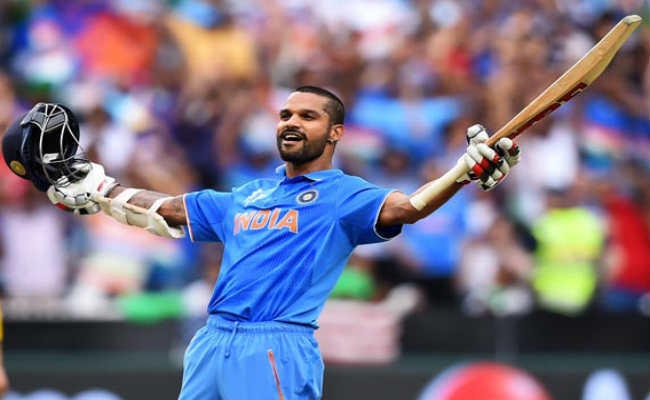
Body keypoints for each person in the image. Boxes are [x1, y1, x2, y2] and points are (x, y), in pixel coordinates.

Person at [7, 87, 520, 399]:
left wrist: (462, 171)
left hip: (276, 344)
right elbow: (168, 209)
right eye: (285, 115)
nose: (291, 122)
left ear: (336, 133)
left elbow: (410, 207)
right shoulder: (249, 193)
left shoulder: (344, 195)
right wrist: (98, 189)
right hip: (211, 340)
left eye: (307, 116)